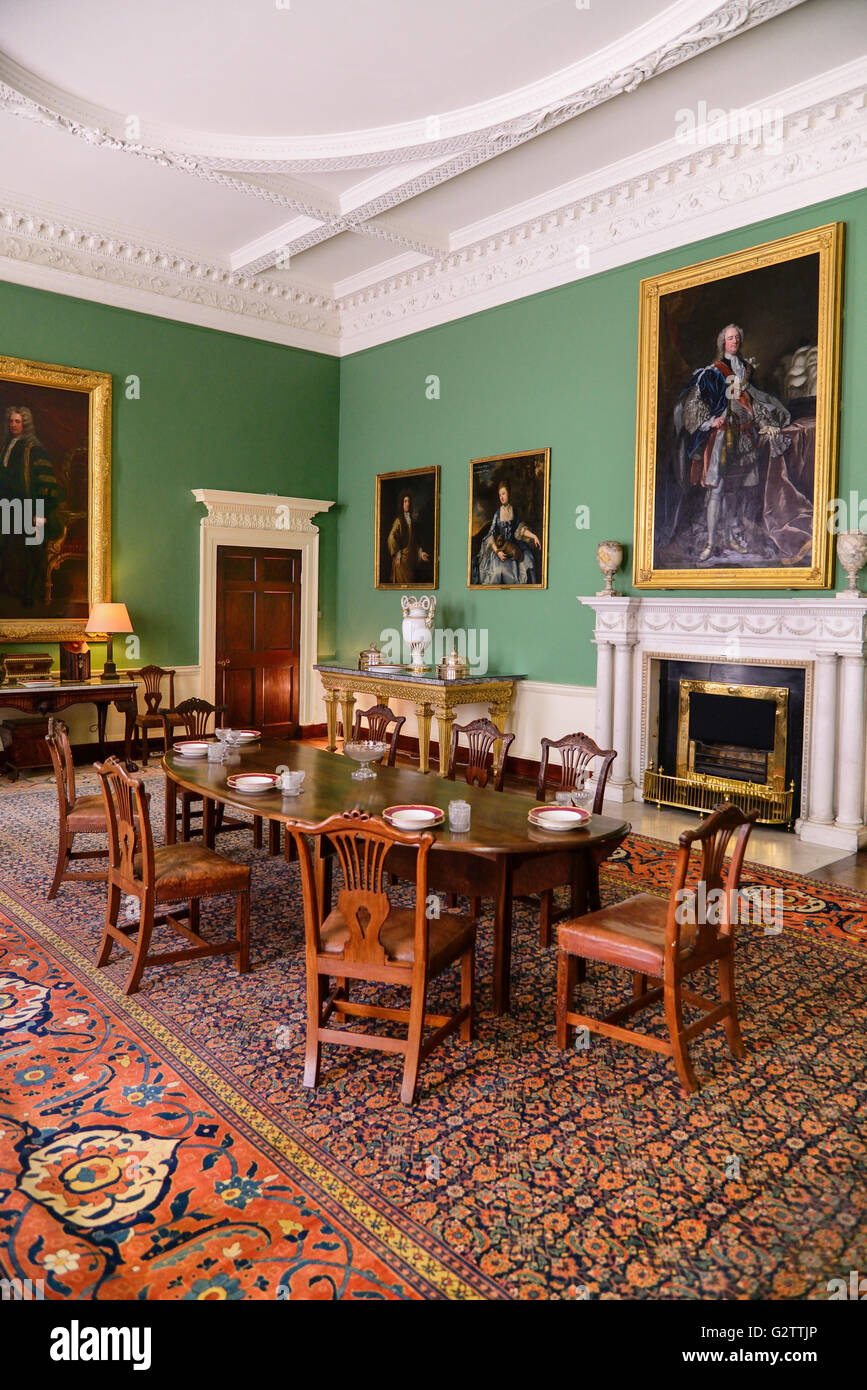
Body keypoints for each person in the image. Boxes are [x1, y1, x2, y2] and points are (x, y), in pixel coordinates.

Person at [677, 324, 791, 562]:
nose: (735, 341)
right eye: (730, 338)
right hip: (722, 439)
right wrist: (711, 420)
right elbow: (694, 405)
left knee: (736, 491)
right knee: (717, 490)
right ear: (723, 343)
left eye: (737, 337)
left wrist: (764, 423)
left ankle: (729, 537)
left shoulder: (747, 370)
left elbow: (756, 401)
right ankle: (710, 542)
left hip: (744, 439)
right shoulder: (713, 372)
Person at [1, 405, 64, 608]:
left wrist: (41, 513)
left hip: (31, 508)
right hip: (9, 508)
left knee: (31, 551)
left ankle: (29, 594)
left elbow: (47, 483)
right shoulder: (7, 446)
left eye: (17, 421)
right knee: (9, 549)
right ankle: (12, 591)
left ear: (25, 423)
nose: (13, 425)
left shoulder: (35, 448)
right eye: (11, 421)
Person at [477, 480, 541, 585]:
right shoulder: (497, 514)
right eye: (499, 495)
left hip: (514, 546)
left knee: (528, 562)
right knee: (499, 571)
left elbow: (520, 529)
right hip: (501, 548)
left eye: (503, 494)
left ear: (509, 494)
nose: (501, 497)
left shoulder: (514, 511)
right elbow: (490, 536)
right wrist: (497, 552)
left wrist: (534, 536)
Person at [387, 491, 430, 585]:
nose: (407, 504)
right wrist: (397, 553)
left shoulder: (412, 522)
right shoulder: (398, 521)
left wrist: (420, 553)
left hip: (410, 561)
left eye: (409, 501)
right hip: (401, 561)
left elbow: (413, 543)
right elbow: (391, 537)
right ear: (401, 504)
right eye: (405, 501)